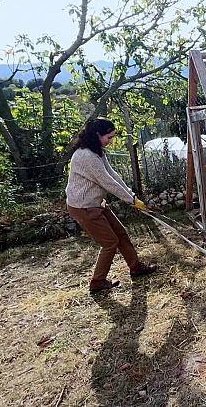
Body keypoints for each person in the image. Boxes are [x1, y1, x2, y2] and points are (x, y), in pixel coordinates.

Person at [65, 117, 156, 292]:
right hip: (83, 207)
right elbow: (107, 183)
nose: (111, 141)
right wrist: (130, 201)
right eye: (109, 137)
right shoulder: (86, 156)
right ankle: (97, 282)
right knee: (110, 242)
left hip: (95, 203)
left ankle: (135, 267)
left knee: (120, 233)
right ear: (97, 134)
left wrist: (132, 196)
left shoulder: (96, 151)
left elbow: (113, 175)